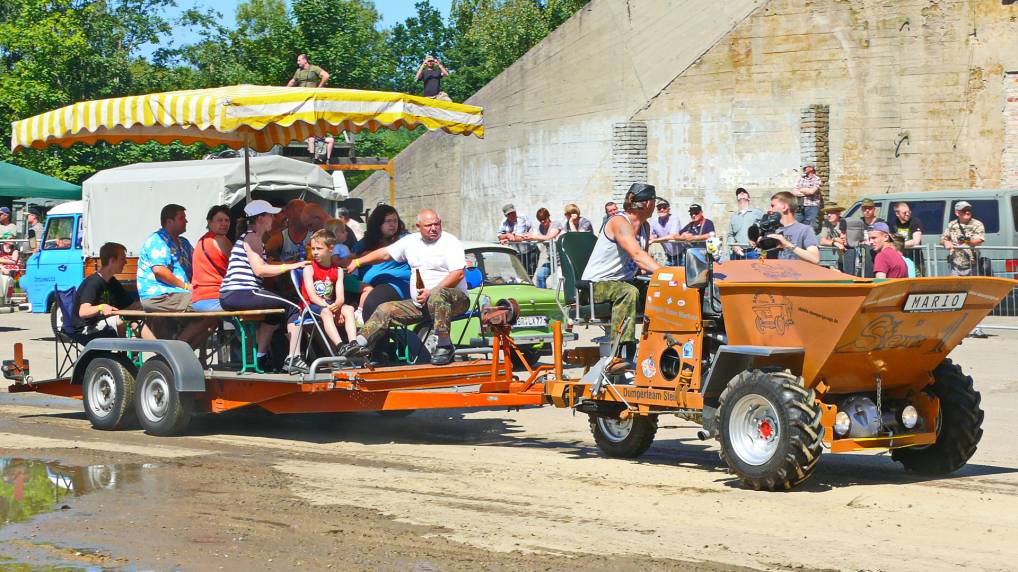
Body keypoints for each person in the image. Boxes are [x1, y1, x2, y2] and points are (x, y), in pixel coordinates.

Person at [340, 209, 469, 366]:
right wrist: (358, 262)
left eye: (437, 224)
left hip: (454, 300)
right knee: (385, 309)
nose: (434, 228)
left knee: (438, 295)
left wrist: (431, 291)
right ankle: (359, 344)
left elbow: (458, 274)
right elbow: (384, 254)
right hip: (421, 303)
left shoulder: (450, 242)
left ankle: (445, 345)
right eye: (428, 225)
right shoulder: (411, 241)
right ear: (418, 226)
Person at [219, 200, 311, 373]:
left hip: (235, 293)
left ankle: (260, 359)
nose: (273, 218)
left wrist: (284, 265)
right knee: (294, 307)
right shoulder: (252, 237)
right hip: (241, 292)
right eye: (270, 215)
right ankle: (294, 358)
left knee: (274, 316)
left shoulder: (253, 237)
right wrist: (290, 266)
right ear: (260, 218)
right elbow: (260, 270)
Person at [581, 183, 661, 357]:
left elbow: (642, 265)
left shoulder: (645, 227)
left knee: (660, 291)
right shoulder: (619, 222)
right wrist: (669, 274)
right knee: (628, 292)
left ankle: (661, 346)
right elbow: (637, 255)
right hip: (595, 286)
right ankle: (621, 352)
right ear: (648, 203)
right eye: (654, 201)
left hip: (622, 282)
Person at [137, 204, 209, 346]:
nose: (186, 221)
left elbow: (198, 264)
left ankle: (183, 354)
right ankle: (177, 349)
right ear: (169, 221)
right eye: (182, 218)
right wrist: (186, 286)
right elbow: (159, 271)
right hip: (160, 295)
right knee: (206, 306)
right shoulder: (157, 240)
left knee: (211, 320)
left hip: (176, 295)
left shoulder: (184, 242)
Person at [72, 242, 153, 339]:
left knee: (141, 318)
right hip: (87, 329)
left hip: (106, 324)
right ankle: (125, 351)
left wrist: (151, 303)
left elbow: (130, 306)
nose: (125, 262)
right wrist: (101, 307)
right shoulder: (93, 282)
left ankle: (157, 351)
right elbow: (83, 312)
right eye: (123, 259)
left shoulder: (113, 282)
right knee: (123, 319)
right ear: (112, 261)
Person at [352, 204, 411, 323]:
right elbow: (349, 259)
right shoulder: (364, 243)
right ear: (377, 223)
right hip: (364, 287)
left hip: (396, 285)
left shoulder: (405, 239)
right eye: (388, 221)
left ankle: (371, 339)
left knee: (373, 302)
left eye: (395, 220)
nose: (393, 224)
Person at [302, 229, 357, 349]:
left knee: (349, 309)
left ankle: (353, 343)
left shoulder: (337, 271)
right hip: (312, 306)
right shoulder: (309, 269)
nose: (315, 252)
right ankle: (340, 346)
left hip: (329, 305)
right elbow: (312, 297)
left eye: (319, 248)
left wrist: (338, 307)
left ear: (331, 249)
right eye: (313, 248)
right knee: (326, 312)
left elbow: (340, 297)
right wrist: (330, 308)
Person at [286, 54, 333, 162]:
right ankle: (299, 135)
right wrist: (284, 90)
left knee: (313, 118)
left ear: (305, 60)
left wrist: (319, 88)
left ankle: (316, 145)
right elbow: (292, 82)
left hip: (312, 99)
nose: (297, 62)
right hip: (301, 98)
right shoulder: (298, 71)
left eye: (299, 60)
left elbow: (326, 76)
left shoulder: (314, 68)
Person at [191, 205, 233, 312]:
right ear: (209, 223)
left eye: (227, 220)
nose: (224, 223)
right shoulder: (222, 240)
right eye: (220, 220)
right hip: (216, 297)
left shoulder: (201, 241)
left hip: (197, 299)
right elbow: (236, 269)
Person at [766, 192, 821, 264]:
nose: (769, 210)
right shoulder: (770, 229)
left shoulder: (805, 230)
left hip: (796, 274)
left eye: (773, 206)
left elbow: (815, 259)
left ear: (784, 207)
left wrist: (787, 244)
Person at [941, 200, 985, 276]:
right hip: (955, 265)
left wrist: (964, 240)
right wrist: (946, 242)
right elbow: (942, 239)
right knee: (957, 288)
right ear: (957, 213)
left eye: (969, 210)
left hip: (972, 265)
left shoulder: (977, 224)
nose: (967, 212)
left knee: (972, 288)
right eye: (964, 210)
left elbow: (979, 240)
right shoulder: (952, 224)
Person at [525, 208, 563, 288]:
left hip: (562, 261)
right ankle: (542, 296)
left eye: (544, 219)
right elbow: (539, 238)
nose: (542, 222)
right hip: (552, 260)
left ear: (548, 216)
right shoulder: (541, 228)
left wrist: (534, 236)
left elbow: (549, 237)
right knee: (540, 275)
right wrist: (526, 237)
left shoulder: (556, 224)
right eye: (540, 220)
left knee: (559, 284)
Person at [497, 203, 539, 275]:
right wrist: (508, 235)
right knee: (520, 275)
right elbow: (499, 236)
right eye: (509, 214)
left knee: (529, 276)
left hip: (530, 252)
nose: (512, 215)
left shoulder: (521, 218)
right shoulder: (504, 222)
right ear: (506, 215)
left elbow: (519, 238)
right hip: (517, 253)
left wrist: (507, 239)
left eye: (513, 212)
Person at [727, 188, 763, 260]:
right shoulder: (734, 217)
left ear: (749, 198)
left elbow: (764, 229)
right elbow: (730, 235)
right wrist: (734, 246)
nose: (741, 193)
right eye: (739, 193)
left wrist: (758, 240)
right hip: (737, 253)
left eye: (744, 192)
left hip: (753, 252)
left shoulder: (757, 212)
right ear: (737, 199)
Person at [891, 202, 924, 275]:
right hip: (899, 260)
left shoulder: (915, 222)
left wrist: (899, 245)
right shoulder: (893, 224)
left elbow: (916, 241)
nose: (907, 214)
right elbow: (891, 241)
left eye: (909, 212)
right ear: (897, 214)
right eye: (904, 212)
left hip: (915, 259)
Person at [648, 199, 684, 266]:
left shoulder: (675, 219)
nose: (662, 210)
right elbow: (650, 236)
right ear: (657, 210)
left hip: (682, 256)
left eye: (664, 207)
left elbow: (673, 236)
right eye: (659, 208)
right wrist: (652, 237)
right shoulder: (654, 222)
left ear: (668, 209)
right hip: (669, 256)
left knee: (683, 276)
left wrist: (654, 240)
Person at [818, 203, 848, 272]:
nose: (829, 215)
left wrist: (834, 240)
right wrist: (834, 242)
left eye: (832, 213)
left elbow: (844, 242)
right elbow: (822, 241)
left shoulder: (844, 223)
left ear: (838, 213)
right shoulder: (826, 223)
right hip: (835, 256)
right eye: (827, 213)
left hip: (845, 255)